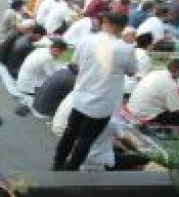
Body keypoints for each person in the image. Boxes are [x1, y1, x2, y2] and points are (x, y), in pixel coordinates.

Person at [53, 12, 136, 171]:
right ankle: (71, 169)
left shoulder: (85, 40)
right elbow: (132, 71)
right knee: (86, 138)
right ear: (123, 28)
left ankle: (57, 163)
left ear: (104, 22)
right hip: (102, 102)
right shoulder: (125, 49)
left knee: (70, 132)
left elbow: (75, 63)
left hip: (81, 95)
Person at [127, 58, 179, 125]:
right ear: (178, 71)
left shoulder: (154, 73)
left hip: (132, 108)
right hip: (145, 114)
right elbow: (178, 110)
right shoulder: (169, 84)